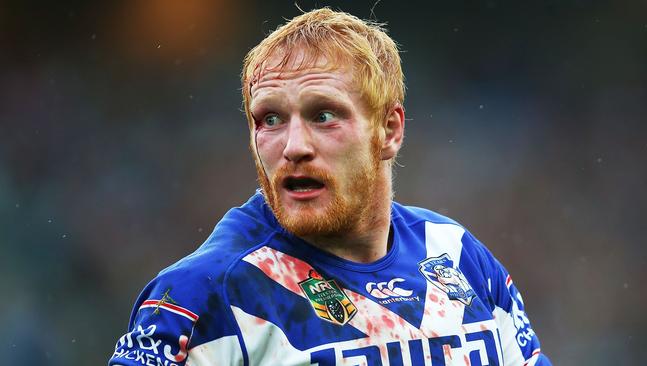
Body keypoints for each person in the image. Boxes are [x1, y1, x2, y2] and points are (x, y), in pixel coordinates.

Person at [109, 8, 551, 366]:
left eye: (323, 115)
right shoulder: (204, 294)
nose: (293, 147)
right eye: (270, 120)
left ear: (389, 130)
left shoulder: (458, 255)